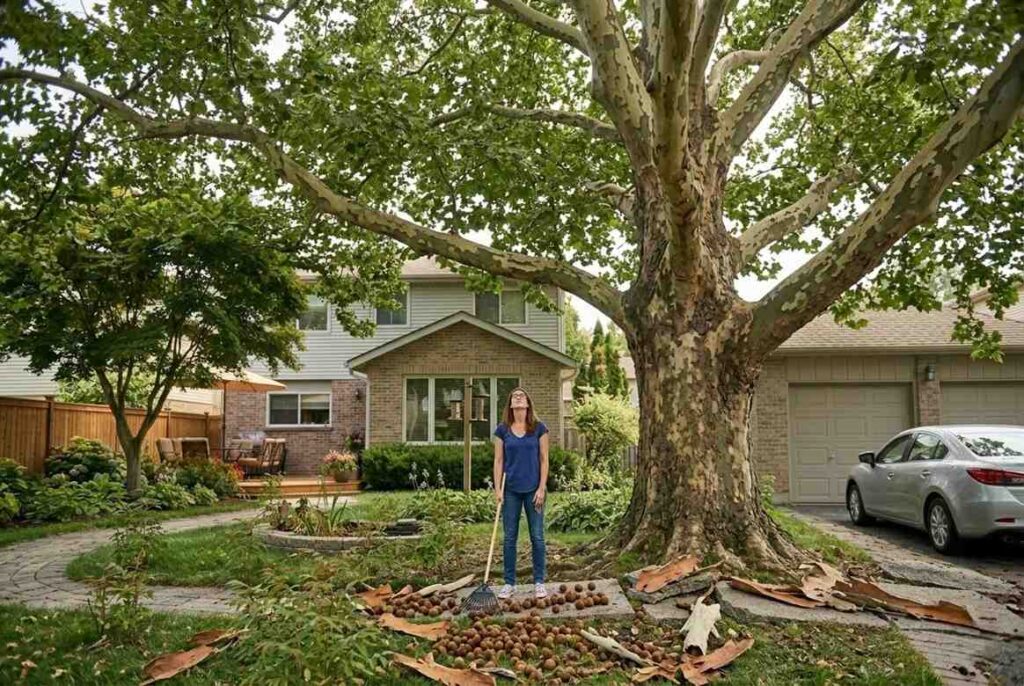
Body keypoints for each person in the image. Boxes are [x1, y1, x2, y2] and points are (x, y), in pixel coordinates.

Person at [493, 386, 549, 600]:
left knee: (537, 536)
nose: (517, 397)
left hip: (534, 491)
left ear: (527, 403)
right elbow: (498, 461)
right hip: (511, 491)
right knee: (509, 538)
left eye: (521, 395)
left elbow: (544, 460)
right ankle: (509, 583)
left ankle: (539, 581)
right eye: (514, 396)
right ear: (510, 404)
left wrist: (542, 487)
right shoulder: (502, 430)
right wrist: (498, 489)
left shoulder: (539, 428)